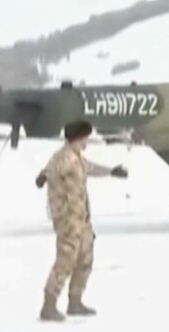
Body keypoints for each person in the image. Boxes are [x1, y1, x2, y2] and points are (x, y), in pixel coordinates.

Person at [34, 120, 127, 321]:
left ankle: (75, 301)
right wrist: (44, 177)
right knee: (65, 260)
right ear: (78, 138)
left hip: (80, 219)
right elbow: (62, 180)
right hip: (69, 218)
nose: (86, 142)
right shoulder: (67, 161)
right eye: (85, 138)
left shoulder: (73, 158)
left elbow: (89, 167)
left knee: (85, 258)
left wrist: (111, 171)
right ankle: (48, 305)